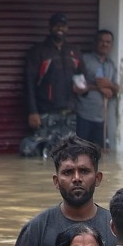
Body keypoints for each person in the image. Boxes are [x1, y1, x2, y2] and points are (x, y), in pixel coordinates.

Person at [22, 12, 83, 156]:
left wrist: (83, 89)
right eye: (56, 25)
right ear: (50, 27)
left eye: (63, 25)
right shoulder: (38, 51)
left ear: (67, 28)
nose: (59, 28)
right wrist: (33, 112)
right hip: (45, 114)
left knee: (67, 157)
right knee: (40, 155)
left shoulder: (74, 51)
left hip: (70, 114)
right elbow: (29, 83)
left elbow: (82, 77)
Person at [75, 29, 120, 149]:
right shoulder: (84, 60)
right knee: (80, 152)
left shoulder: (111, 64)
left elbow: (117, 89)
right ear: (95, 42)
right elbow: (76, 87)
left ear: (111, 45)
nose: (104, 44)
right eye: (101, 41)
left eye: (108, 42)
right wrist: (98, 88)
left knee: (100, 154)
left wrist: (109, 84)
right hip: (83, 115)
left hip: (101, 118)